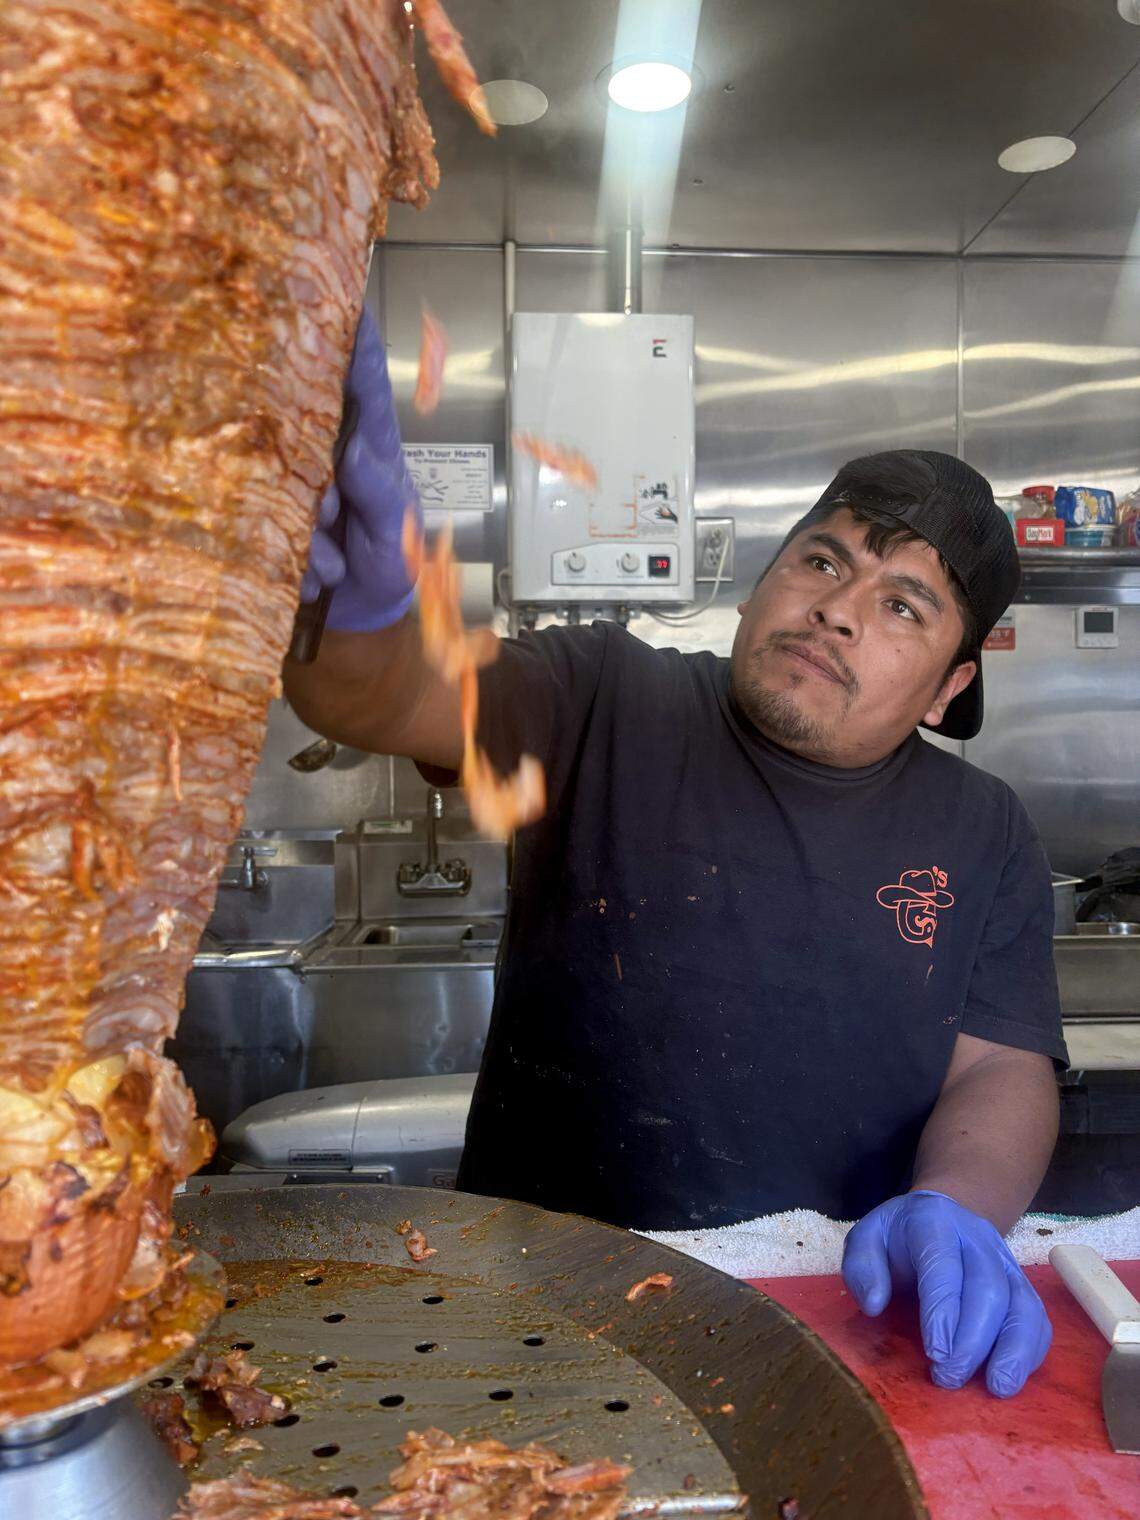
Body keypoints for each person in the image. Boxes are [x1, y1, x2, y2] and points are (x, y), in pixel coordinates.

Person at [286, 312, 1067, 1400]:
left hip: (832, 1319)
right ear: (761, 582)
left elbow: (999, 1064)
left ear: (948, 687)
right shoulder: (605, 695)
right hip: (537, 1305)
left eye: (901, 605)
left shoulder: (984, 831)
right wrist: (355, 602)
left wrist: (959, 1204)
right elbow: (389, 695)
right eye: (821, 559)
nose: (837, 609)